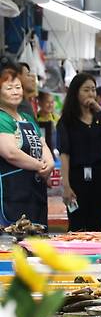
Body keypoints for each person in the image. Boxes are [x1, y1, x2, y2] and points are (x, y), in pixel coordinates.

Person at [57, 73, 101, 231]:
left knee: (97, 226)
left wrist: (100, 110)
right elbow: (65, 154)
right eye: (86, 90)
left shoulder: (98, 118)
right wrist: (66, 186)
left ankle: (96, 255)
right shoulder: (66, 121)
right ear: (76, 92)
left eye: (93, 90)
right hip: (76, 179)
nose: (91, 94)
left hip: (99, 178)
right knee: (77, 226)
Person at [0, 63, 54, 227]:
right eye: (9, 88)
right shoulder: (2, 118)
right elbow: (10, 152)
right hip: (12, 193)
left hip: (35, 192)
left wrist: (49, 164)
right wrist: (39, 165)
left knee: (37, 240)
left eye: (18, 87)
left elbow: (42, 144)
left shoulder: (27, 118)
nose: (15, 91)